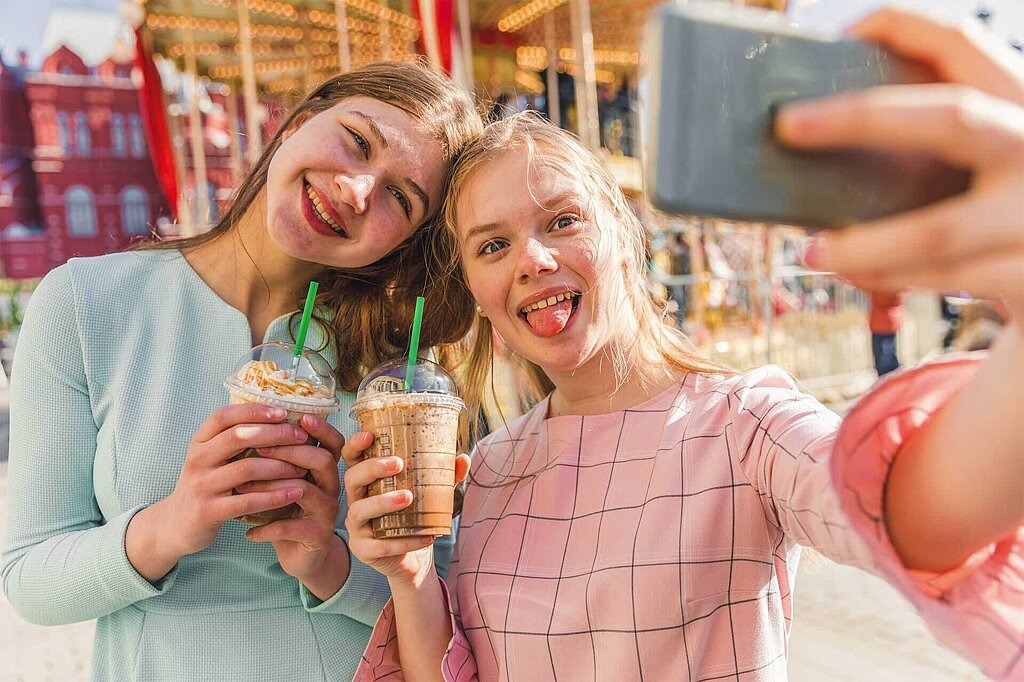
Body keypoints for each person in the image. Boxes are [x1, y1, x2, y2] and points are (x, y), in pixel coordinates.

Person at [343, 8, 1024, 681]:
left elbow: (917, 515)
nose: (533, 259)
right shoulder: (490, 467)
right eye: (493, 245)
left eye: (563, 220)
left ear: (624, 235)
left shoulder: (741, 424)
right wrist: (410, 577)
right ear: (477, 291)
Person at [0, 62, 482, 680]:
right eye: (357, 141)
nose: (358, 190)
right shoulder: (84, 304)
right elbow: (29, 580)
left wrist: (325, 561)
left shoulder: (399, 375)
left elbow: (441, 603)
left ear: (402, 243)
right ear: (298, 124)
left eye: (398, 197)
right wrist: (173, 522)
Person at [868, 289, 906, 375]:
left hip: (884, 323)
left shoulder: (887, 286)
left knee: (885, 362)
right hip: (884, 323)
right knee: (885, 358)